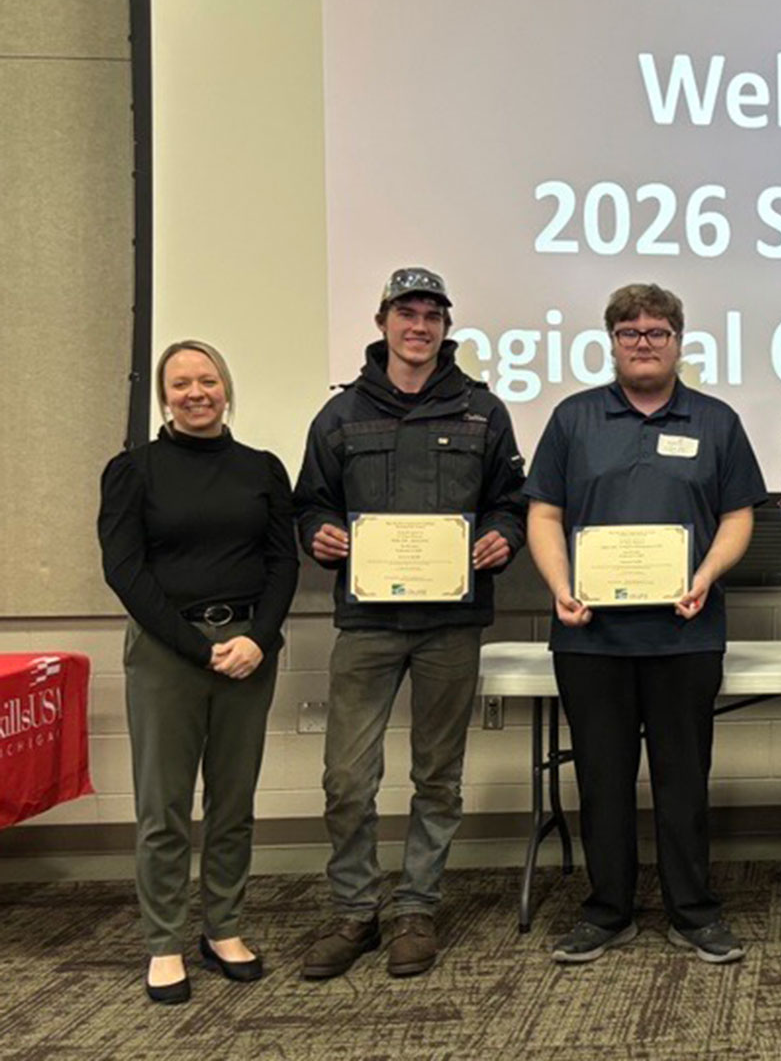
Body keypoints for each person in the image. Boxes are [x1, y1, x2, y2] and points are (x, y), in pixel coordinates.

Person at [293, 267, 527, 979]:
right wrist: (321, 533)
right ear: (382, 321)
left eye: (431, 315)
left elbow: (511, 502)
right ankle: (355, 912)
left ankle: (417, 910)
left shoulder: (483, 412)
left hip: (450, 624)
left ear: (446, 328)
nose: (418, 326)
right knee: (347, 777)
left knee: (438, 777)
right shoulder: (339, 417)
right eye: (406, 313)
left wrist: (503, 537)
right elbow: (310, 504)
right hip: (366, 622)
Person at [524, 283, 766, 965]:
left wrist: (705, 576)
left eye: (656, 332)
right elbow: (543, 512)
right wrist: (561, 586)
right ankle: (607, 912)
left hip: (685, 632)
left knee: (683, 779)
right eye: (630, 333)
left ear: (678, 341)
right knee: (601, 778)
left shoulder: (715, 421)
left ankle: (693, 911)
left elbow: (739, 514)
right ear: (612, 342)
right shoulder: (574, 418)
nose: (643, 343)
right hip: (590, 634)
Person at [98, 340, 298, 1003]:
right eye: (181, 383)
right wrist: (193, 645)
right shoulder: (133, 471)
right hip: (167, 652)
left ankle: (224, 928)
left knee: (233, 801)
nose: (196, 392)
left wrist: (258, 640)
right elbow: (124, 570)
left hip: (248, 651)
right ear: (165, 396)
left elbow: (282, 565)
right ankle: (163, 941)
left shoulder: (263, 469)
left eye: (207, 380)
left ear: (225, 388)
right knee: (164, 806)